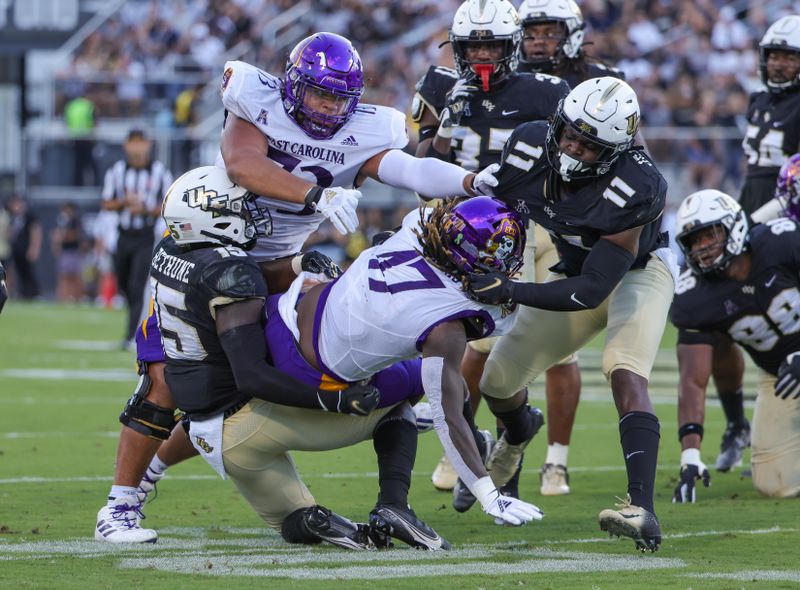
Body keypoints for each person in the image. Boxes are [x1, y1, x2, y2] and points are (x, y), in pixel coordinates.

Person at [95, 32, 493, 543]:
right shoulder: (254, 100)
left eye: (338, 97)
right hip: (207, 255)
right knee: (167, 385)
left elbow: (410, 168)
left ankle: (405, 405)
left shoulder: (365, 128)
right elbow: (242, 163)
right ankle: (121, 506)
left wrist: (470, 183)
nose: (329, 106)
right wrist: (317, 195)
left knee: (253, 384)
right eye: (319, 93)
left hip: (280, 269)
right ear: (291, 85)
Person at [96, 166, 389, 548]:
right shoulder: (225, 269)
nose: (248, 214)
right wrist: (333, 401)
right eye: (237, 208)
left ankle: (129, 493)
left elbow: (235, 272)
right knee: (162, 394)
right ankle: (120, 502)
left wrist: (296, 265)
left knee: (164, 396)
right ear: (210, 215)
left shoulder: (172, 247)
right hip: (228, 393)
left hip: (200, 387)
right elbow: (237, 287)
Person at [464, 77, 675, 552]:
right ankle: (519, 431)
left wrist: (513, 290)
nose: (573, 150)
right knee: (497, 379)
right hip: (570, 269)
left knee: (624, 367)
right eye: (569, 135)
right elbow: (498, 217)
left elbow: (594, 289)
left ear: (616, 152)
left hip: (635, 275)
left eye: (589, 146)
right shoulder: (526, 145)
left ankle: (642, 508)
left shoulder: (638, 185)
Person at [265, 196, 544, 535]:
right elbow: (448, 415)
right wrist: (488, 493)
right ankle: (399, 496)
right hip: (314, 374)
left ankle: (461, 438)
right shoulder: (447, 327)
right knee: (439, 389)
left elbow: (390, 238)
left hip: (285, 311)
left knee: (433, 377)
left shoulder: (417, 224)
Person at [411, 0, 569, 497]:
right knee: (465, 344)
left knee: (493, 344)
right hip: (455, 234)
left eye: (491, 44)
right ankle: (496, 438)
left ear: (511, 46)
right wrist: (449, 121)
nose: (481, 54)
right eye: (473, 45)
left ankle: (495, 444)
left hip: (520, 228)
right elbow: (421, 175)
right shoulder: (439, 88)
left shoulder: (546, 91)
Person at [671, 189, 800, 502]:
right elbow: (692, 379)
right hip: (780, 376)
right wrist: (690, 455)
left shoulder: (782, 242)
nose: (702, 248)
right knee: (775, 483)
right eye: (694, 242)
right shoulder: (695, 298)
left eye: (708, 235)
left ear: (734, 226)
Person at [100, 128, 174, 349]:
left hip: (144, 236)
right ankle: (131, 326)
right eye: (133, 142)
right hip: (124, 235)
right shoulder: (117, 171)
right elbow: (106, 202)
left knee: (136, 284)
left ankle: (131, 334)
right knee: (123, 284)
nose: (137, 148)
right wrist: (124, 203)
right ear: (126, 146)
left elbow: (168, 204)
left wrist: (144, 209)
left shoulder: (160, 172)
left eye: (141, 142)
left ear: (148, 145)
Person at [8, 194, 42, 300]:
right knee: (19, 272)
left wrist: (34, 248)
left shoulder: (29, 216)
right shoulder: (12, 217)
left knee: (29, 272)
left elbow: (36, 231)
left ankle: (34, 294)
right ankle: (23, 293)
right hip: (15, 250)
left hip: (26, 249)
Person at [51, 202, 86, 302]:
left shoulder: (76, 220)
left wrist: (62, 237)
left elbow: (76, 235)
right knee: (63, 276)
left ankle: (77, 298)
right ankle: (63, 298)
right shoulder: (61, 220)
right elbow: (55, 236)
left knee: (75, 276)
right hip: (65, 251)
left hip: (74, 251)